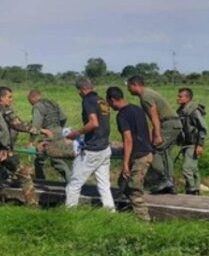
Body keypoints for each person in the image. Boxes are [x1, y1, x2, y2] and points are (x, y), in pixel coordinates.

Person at [64, 78, 114, 211]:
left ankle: (69, 214)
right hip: (105, 147)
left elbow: (94, 123)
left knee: (74, 184)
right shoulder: (101, 100)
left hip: (93, 149)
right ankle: (111, 212)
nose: (79, 94)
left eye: (78, 91)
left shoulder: (87, 100)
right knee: (104, 185)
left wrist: (76, 133)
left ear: (82, 89)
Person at [126, 76, 181, 194]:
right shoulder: (149, 93)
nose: (128, 90)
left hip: (167, 124)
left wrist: (157, 134)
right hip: (173, 124)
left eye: (129, 87)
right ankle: (169, 183)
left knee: (155, 150)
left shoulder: (145, 96)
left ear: (135, 85)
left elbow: (154, 115)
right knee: (164, 152)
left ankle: (164, 179)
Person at [106, 87, 153, 220]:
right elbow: (146, 129)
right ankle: (127, 210)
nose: (109, 105)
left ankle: (144, 221)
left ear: (113, 100)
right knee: (123, 182)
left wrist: (125, 164)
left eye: (109, 102)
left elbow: (128, 140)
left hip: (139, 156)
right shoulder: (137, 109)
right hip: (146, 151)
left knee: (133, 189)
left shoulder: (122, 115)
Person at [0, 86, 40, 206]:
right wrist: (38, 130)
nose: (11, 99)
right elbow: (17, 124)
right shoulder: (3, 110)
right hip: (3, 151)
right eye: (9, 97)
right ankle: (33, 206)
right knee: (25, 174)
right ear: (2, 97)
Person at [27, 89, 71, 182]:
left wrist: (30, 141)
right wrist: (59, 129)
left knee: (56, 161)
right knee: (42, 159)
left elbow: (35, 126)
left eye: (29, 100)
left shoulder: (37, 106)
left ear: (33, 97)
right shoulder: (53, 103)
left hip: (49, 134)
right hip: (59, 131)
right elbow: (64, 117)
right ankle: (41, 180)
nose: (30, 103)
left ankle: (73, 183)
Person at [176, 87, 208, 195]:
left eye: (180, 96)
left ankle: (192, 189)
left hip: (193, 143)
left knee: (186, 168)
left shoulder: (194, 111)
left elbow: (203, 128)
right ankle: (196, 189)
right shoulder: (181, 110)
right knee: (193, 168)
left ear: (188, 98)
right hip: (186, 143)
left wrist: (200, 144)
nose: (178, 98)